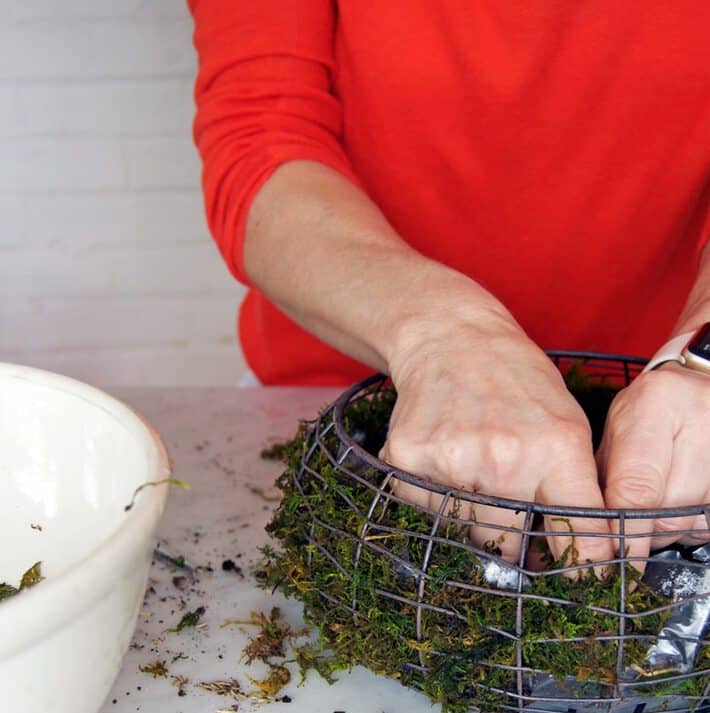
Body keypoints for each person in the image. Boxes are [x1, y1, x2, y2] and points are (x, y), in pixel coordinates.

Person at [187, 2, 710, 568]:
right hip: (353, 410)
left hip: (671, 421)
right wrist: (443, 333)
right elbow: (262, 134)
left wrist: (703, 359)